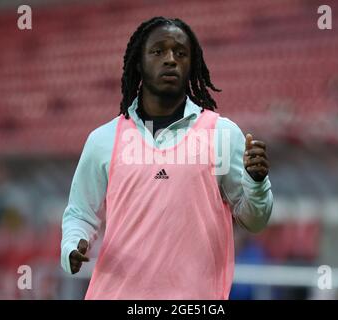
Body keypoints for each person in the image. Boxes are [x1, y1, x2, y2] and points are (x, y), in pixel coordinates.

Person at [61, 16, 273, 300]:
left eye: (181, 53)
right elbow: (80, 213)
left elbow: (254, 221)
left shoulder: (221, 134)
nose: (171, 59)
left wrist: (257, 183)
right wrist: (73, 246)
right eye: (158, 51)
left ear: (192, 64)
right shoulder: (104, 139)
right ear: (139, 62)